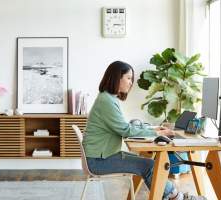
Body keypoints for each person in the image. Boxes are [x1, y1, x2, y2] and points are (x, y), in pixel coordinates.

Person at [83, 61, 207, 200]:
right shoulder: (106, 101)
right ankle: (178, 198)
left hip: (103, 156)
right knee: (148, 165)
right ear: (117, 77)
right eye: (128, 78)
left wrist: (151, 129)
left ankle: (172, 196)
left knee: (148, 164)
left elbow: (124, 126)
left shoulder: (108, 98)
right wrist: (157, 133)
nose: (131, 83)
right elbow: (126, 130)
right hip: (99, 161)